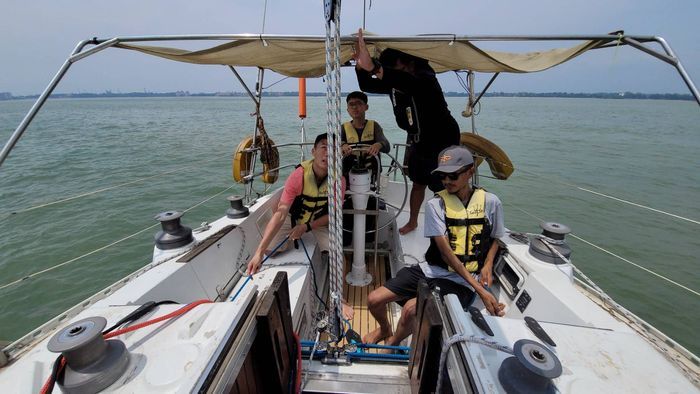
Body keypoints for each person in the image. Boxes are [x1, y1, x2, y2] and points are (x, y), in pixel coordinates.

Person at [363, 145, 505, 345]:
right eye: (442, 176)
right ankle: (385, 329)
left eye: (453, 175)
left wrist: (488, 264)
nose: (447, 181)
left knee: (410, 310)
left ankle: (392, 343)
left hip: (461, 282)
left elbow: (497, 236)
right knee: (374, 299)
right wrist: (482, 291)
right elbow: (446, 254)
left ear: (470, 171)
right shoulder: (435, 205)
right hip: (431, 269)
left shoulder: (491, 202)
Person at [353, 28, 460, 235]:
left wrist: (374, 67)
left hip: (443, 140)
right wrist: (360, 67)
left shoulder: (425, 79)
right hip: (419, 140)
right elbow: (367, 85)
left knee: (446, 186)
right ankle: (413, 221)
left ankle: (451, 226)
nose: (393, 72)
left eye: (396, 67)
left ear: (409, 63)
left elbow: (407, 82)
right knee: (418, 182)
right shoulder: (396, 83)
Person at [245, 133, 353, 319]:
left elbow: (333, 214)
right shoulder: (299, 175)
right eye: (323, 147)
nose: (328, 153)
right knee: (273, 252)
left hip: (315, 221)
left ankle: (339, 299)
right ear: (313, 151)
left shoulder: (339, 181)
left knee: (337, 253)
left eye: (333, 149)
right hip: (292, 217)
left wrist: (307, 227)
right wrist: (259, 252)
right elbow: (281, 214)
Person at [340, 90, 390, 179]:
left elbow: (387, 146)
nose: (354, 107)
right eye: (351, 104)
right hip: (348, 176)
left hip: (371, 177)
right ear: (348, 110)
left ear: (366, 107)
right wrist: (342, 145)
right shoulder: (343, 128)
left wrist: (379, 144)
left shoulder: (374, 126)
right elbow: (334, 144)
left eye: (359, 103)